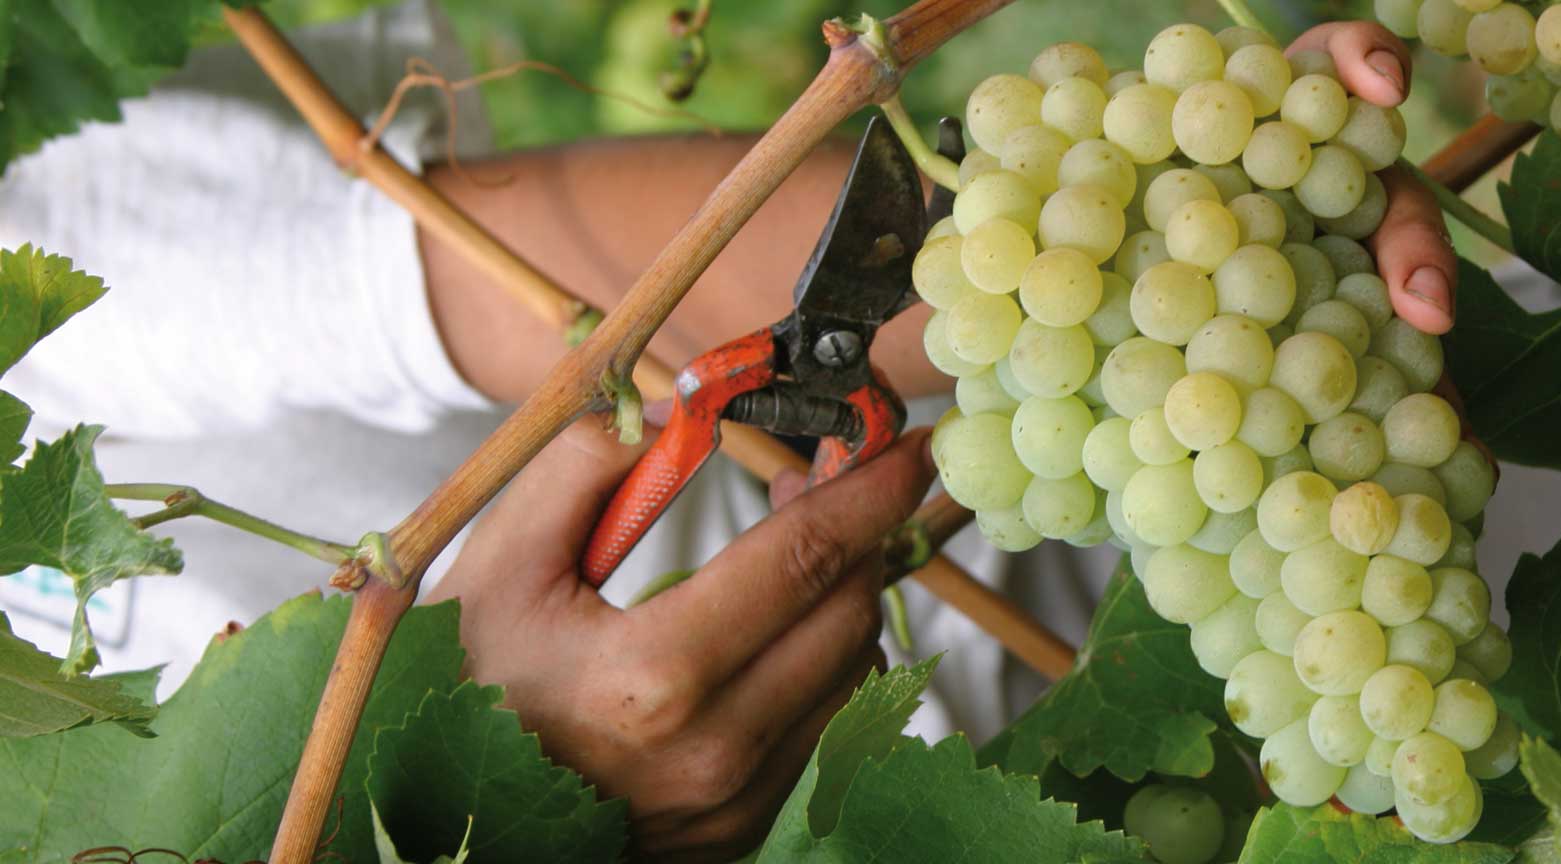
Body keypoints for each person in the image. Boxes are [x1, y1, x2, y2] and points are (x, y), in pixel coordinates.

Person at [0, 4, 1477, 860]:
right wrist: (520, 818)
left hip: (1123, 543)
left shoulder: (34, 272)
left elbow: (499, 279)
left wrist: (1165, 248)